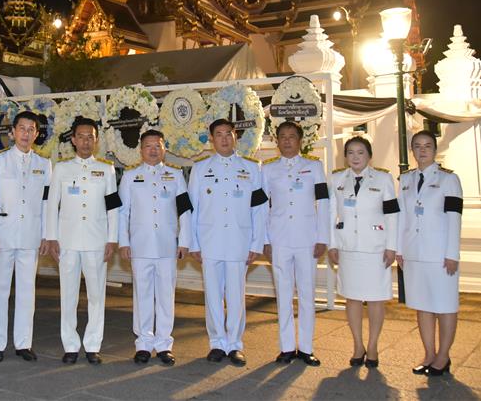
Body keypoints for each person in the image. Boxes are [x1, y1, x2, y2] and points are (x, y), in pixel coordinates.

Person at [187, 119, 267, 367]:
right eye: (219, 134)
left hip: (238, 241)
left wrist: (257, 244)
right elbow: (192, 209)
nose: (224, 138)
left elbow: (259, 209)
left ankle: (234, 344)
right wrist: (193, 243)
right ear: (211, 139)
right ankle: (216, 343)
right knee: (212, 295)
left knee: (236, 295)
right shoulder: (200, 169)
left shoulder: (252, 168)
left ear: (235, 137)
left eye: (228, 134)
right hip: (209, 241)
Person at [44, 116, 120, 364]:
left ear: (96, 141)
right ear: (74, 140)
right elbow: (51, 205)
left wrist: (112, 239)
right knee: (69, 296)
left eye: (91, 137)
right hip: (67, 241)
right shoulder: (62, 169)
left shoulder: (107, 169)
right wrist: (51, 237)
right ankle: (70, 345)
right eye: (81, 137)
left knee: (97, 296)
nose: (86, 141)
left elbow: (113, 208)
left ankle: (93, 344)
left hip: (97, 241)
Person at [0, 110, 52, 363]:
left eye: (31, 129)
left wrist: (47, 235)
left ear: (36, 134)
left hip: (30, 236)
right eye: (21, 128)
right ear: (12, 132)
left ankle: (23, 343)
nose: (26, 134)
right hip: (2, 235)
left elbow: (46, 203)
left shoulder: (44, 164)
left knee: (26, 292)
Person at [117, 130, 192, 366]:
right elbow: (122, 212)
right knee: (142, 295)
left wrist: (185, 241)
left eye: (157, 146)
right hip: (139, 246)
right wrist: (123, 242)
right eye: (148, 146)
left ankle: (164, 344)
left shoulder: (176, 175)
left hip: (167, 246)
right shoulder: (130, 176)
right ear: (141, 150)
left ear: (164, 149)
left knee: (166, 296)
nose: (153, 150)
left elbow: (185, 211)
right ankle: (143, 343)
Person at [327, 136, 399, 368]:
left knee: (376, 299)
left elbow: (392, 214)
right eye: (350, 152)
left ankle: (373, 345)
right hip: (347, 247)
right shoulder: (337, 179)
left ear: (369, 156)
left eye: (360, 152)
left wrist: (392, 246)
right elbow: (330, 214)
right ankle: (358, 345)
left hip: (375, 248)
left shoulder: (384, 179)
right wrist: (332, 244)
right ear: (345, 156)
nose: (355, 157)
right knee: (353, 298)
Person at [261, 120, 329, 366]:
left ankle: (307, 348)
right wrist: (265, 240)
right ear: (276, 141)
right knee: (283, 294)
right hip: (279, 239)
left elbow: (324, 203)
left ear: (300, 141)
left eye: (292, 136)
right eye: (283, 136)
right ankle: (287, 347)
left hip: (307, 239)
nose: (287, 140)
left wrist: (323, 237)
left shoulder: (314, 166)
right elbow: (261, 207)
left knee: (307, 294)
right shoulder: (268, 169)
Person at [397, 130, 463, 376]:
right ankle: (428, 354)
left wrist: (452, 254)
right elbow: (401, 216)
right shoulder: (405, 179)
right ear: (412, 150)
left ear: (435, 150)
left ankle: (443, 356)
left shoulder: (449, 179)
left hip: (440, 254)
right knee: (422, 305)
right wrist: (400, 250)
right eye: (417, 146)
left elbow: (454, 218)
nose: (422, 150)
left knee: (445, 305)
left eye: (427, 146)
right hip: (413, 253)